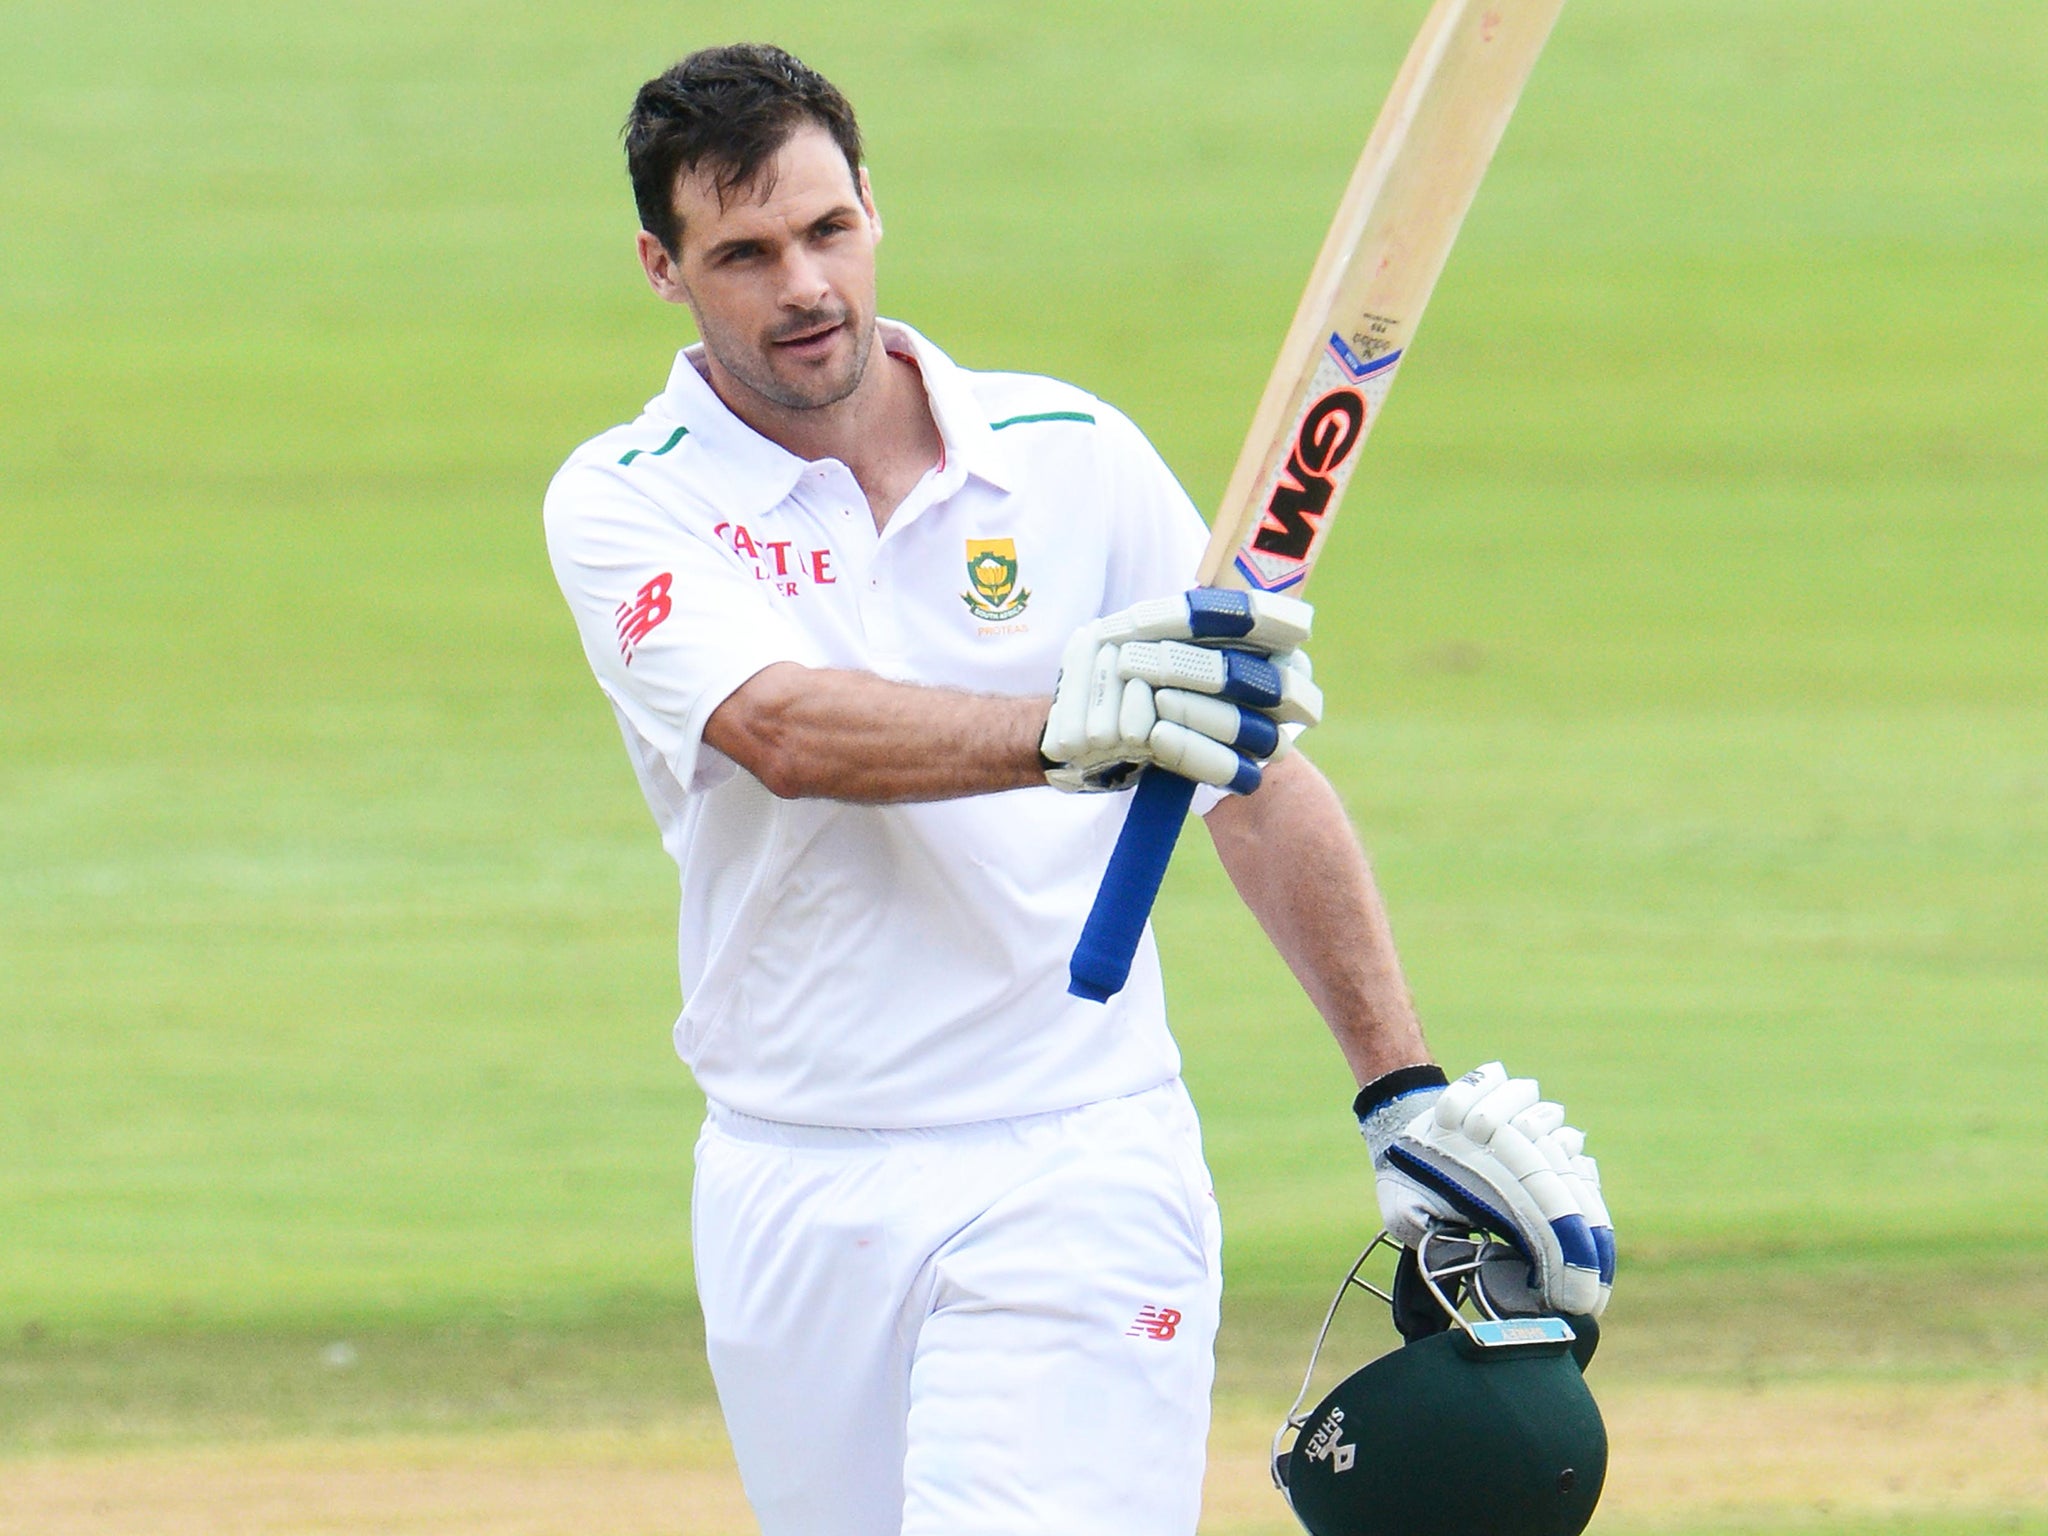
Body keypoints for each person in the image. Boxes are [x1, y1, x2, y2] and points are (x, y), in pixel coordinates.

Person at [544, 43, 1612, 1536]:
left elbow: (1247, 771)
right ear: (664, 268)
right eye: (745, 253)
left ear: (872, 208)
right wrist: (1067, 729)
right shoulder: (627, 497)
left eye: (827, 230)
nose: (803, 287)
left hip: (1074, 1158)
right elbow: (781, 731)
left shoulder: (1070, 458)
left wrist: (1398, 1088)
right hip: (793, 1173)